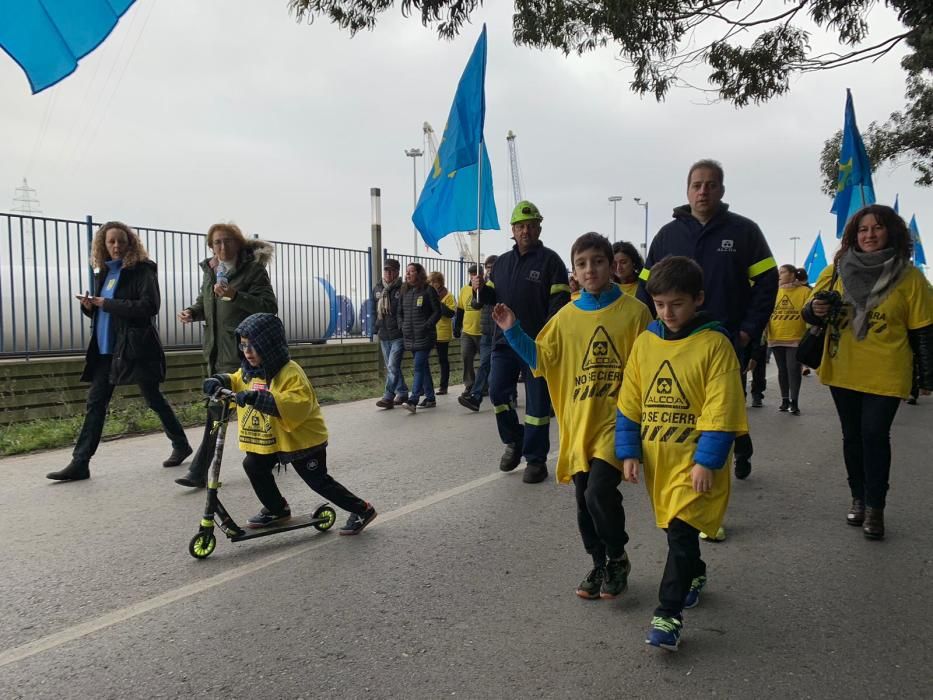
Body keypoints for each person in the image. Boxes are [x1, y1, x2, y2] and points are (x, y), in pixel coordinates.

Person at [494, 232, 650, 598]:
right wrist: (512, 331)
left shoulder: (635, 313)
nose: (590, 269)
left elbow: (651, 364)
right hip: (579, 423)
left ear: (611, 266)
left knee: (598, 492)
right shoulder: (565, 318)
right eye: (581, 264)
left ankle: (617, 556)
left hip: (618, 421)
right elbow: (540, 359)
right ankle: (598, 564)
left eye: (597, 261)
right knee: (583, 502)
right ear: (574, 274)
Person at [616, 256, 748, 651]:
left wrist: (708, 460)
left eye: (676, 303)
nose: (667, 312)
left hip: (692, 462)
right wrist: (629, 451)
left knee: (681, 530)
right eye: (659, 304)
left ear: (698, 300)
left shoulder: (714, 345)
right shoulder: (646, 342)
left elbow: (721, 407)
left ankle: (668, 614)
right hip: (659, 460)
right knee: (677, 535)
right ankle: (695, 572)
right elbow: (630, 401)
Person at [638, 159, 777, 480]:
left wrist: (746, 332)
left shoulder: (744, 232)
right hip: (675, 344)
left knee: (724, 406)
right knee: (686, 409)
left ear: (722, 190)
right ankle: (694, 469)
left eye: (711, 185)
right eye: (697, 185)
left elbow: (768, 284)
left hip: (725, 341)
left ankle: (732, 454)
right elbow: (645, 289)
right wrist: (653, 331)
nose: (703, 191)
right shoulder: (667, 236)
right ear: (687, 191)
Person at [803, 205, 933, 540]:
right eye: (862, 230)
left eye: (877, 228)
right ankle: (858, 498)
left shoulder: (910, 277)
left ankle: (876, 507)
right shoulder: (835, 271)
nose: (870, 235)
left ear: (891, 231)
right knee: (852, 437)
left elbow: (923, 330)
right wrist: (816, 308)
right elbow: (811, 312)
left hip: (887, 370)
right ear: (853, 236)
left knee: (874, 435)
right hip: (843, 366)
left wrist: (928, 376)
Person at [202, 313, 377, 533]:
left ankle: (362, 509)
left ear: (269, 346)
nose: (247, 352)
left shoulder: (290, 372)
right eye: (244, 346)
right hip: (274, 439)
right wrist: (220, 380)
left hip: (302, 439)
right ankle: (277, 509)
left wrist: (259, 399)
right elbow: (237, 379)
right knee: (253, 465)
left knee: (317, 481)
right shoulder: (250, 371)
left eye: (253, 346)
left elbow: (298, 402)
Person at [47, 222, 192, 481]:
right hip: (105, 349)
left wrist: (108, 303)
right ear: (103, 244)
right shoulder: (103, 272)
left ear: (130, 244)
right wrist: (90, 306)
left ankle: (180, 444)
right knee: (96, 403)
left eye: (121, 241)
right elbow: (104, 308)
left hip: (134, 347)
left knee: (153, 398)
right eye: (111, 241)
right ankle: (80, 463)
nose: (116, 246)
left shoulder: (142, 270)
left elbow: (149, 306)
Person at [472, 201, 571, 483]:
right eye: (520, 226)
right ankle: (514, 440)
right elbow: (487, 298)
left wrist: (548, 340)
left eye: (530, 225)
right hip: (504, 342)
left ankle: (536, 460)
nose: (525, 230)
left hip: (536, 345)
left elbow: (560, 305)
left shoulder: (551, 262)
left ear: (539, 227)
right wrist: (478, 289)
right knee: (497, 394)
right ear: (512, 231)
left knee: (537, 406)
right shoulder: (501, 263)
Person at [175, 222, 277, 488]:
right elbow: (205, 303)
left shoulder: (253, 271)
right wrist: (193, 312)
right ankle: (202, 471)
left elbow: (269, 306)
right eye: (217, 242)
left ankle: (201, 471)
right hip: (217, 353)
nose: (222, 247)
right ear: (211, 247)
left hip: (245, 353)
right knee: (218, 410)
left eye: (228, 241)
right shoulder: (211, 272)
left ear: (238, 244)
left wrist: (235, 295)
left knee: (247, 411)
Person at [399, 262, 442, 412]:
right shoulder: (405, 291)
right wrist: (402, 326)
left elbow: (438, 311)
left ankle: (413, 400)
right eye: (407, 272)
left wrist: (427, 326)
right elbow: (399, 313)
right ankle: (430, 398)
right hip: (410, 337)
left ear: (419, 273)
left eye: (411, 271)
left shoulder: (428, 290)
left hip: (425, 336)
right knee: (423, 367)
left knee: (418, 367)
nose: (408, 274)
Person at [767, 264, 809, 415]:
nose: (779, 275)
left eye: (783, 272)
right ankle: (784, 400)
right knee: (782, 370)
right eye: (779, 272)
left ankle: (794, 402)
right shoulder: (774, 291)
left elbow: (809, 312)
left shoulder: (804, 291)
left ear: (792, 274)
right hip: (776, 337)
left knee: (793, 370)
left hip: (795, 338)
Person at [458, 255, 498, 412]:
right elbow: (476, 304)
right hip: (486, 331)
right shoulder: (483, 284)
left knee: (498, 365)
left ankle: (510, 394)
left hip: (502, 331)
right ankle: (475, 396)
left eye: (492, 266)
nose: (490, 270)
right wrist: (477, 291)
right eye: (487, 267)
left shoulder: (504, 282)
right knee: (484, 364)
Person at [373, 259, 409, 409]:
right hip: (384, 334)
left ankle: (388, 396)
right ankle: (402, 392)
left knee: (393, 365)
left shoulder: (403, 288)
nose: (388, 273)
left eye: (391, 270)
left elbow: (405, 310)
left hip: (398, 334)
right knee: (391, 367)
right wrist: (374, 328)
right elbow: (372, 308)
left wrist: (404, 328)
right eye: (386, 270)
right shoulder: (378, 288)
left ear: (397, 272)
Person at [455, 264, 483, 398]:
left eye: (476, 273)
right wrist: (457, 325)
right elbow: (460, 309)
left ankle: (484, 385)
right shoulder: (464, 290)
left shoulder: (486, 289)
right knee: (466, 357)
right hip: (467, 331)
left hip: (483, 332)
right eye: (472, 274)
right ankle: (469, 385)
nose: (474, 276)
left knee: (485, 362)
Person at [427, 271, 457, 395]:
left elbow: (451, 313)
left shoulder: (448, 296)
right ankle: (426, 387)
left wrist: (438, 303)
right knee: (424, 359)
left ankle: (443, 386)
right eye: (431, 282)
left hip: (442, 333)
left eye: (435, 282)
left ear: (440, 282)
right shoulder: (427, 295)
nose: (433, 284)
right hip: (429, 331)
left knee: (443, 360)